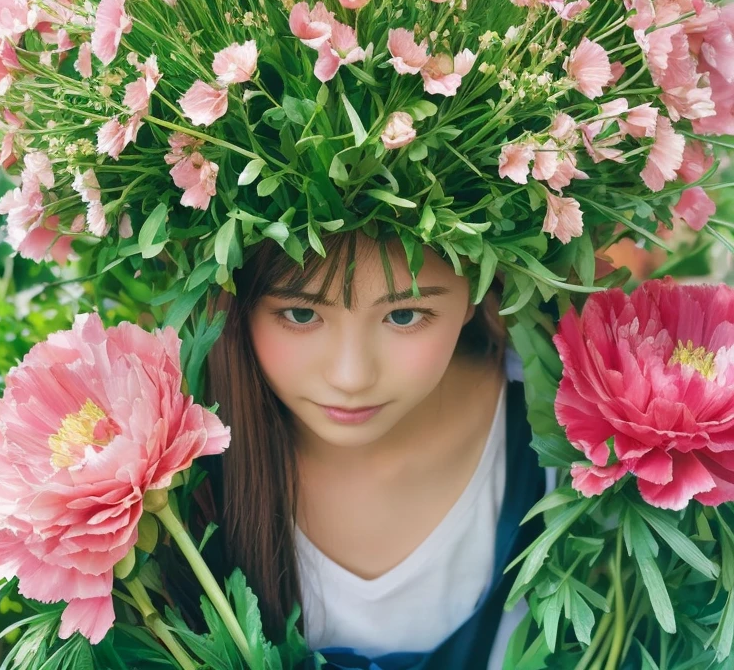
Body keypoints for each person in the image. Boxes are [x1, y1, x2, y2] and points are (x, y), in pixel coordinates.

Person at [197, 229, 552, 670]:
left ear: (475, 289)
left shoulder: (567, 437)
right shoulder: (169, 463)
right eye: (302, 313)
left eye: (403, 316)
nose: (351, 377)